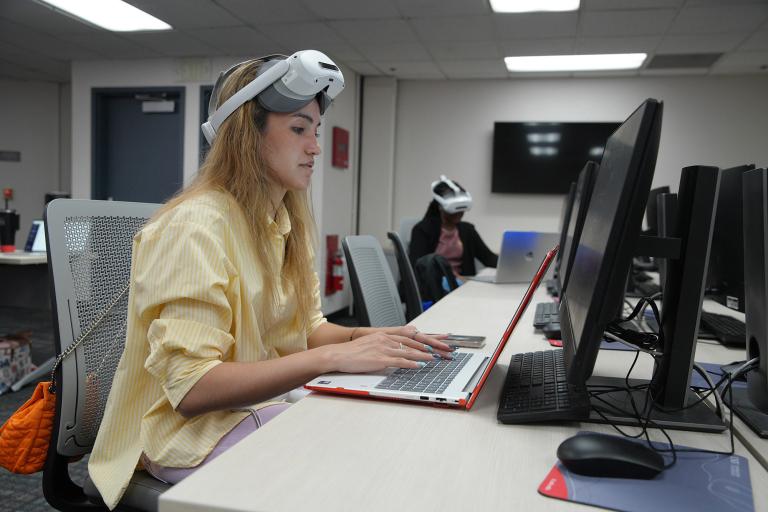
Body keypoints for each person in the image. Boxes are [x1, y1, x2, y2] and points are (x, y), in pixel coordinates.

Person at [88, 50, 453, 510]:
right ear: (246, 135)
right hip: (184, 432)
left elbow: (307, 329)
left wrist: (372, 338)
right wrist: (334, 357)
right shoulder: (196, 227)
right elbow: (192, 387)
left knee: (374, 438)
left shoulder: (281, 222)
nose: (315, 146)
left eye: (315, 131)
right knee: (350, 475)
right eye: (299, 128)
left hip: (252, 407)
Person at [409, 175, 498, 277]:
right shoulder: (422, 230)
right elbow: (419, 268)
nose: (459, 213)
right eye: (455, 209)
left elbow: (488, 258)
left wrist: (512, 265)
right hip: (435, 288)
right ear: (440, 206)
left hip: (463, 287)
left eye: (461, 209)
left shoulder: (467, 230)